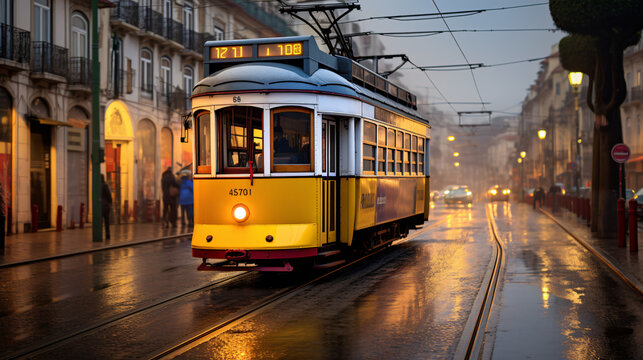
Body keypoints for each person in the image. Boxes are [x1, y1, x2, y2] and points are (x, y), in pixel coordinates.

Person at [101, 174, 112, 239]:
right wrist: (110, 202)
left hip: (100, 206)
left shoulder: (98, 185)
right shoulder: (105, 185)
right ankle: (107, 234)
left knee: (100, 221)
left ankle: (100, 235)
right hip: (106, 206)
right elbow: (108, 195)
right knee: (106, 221)